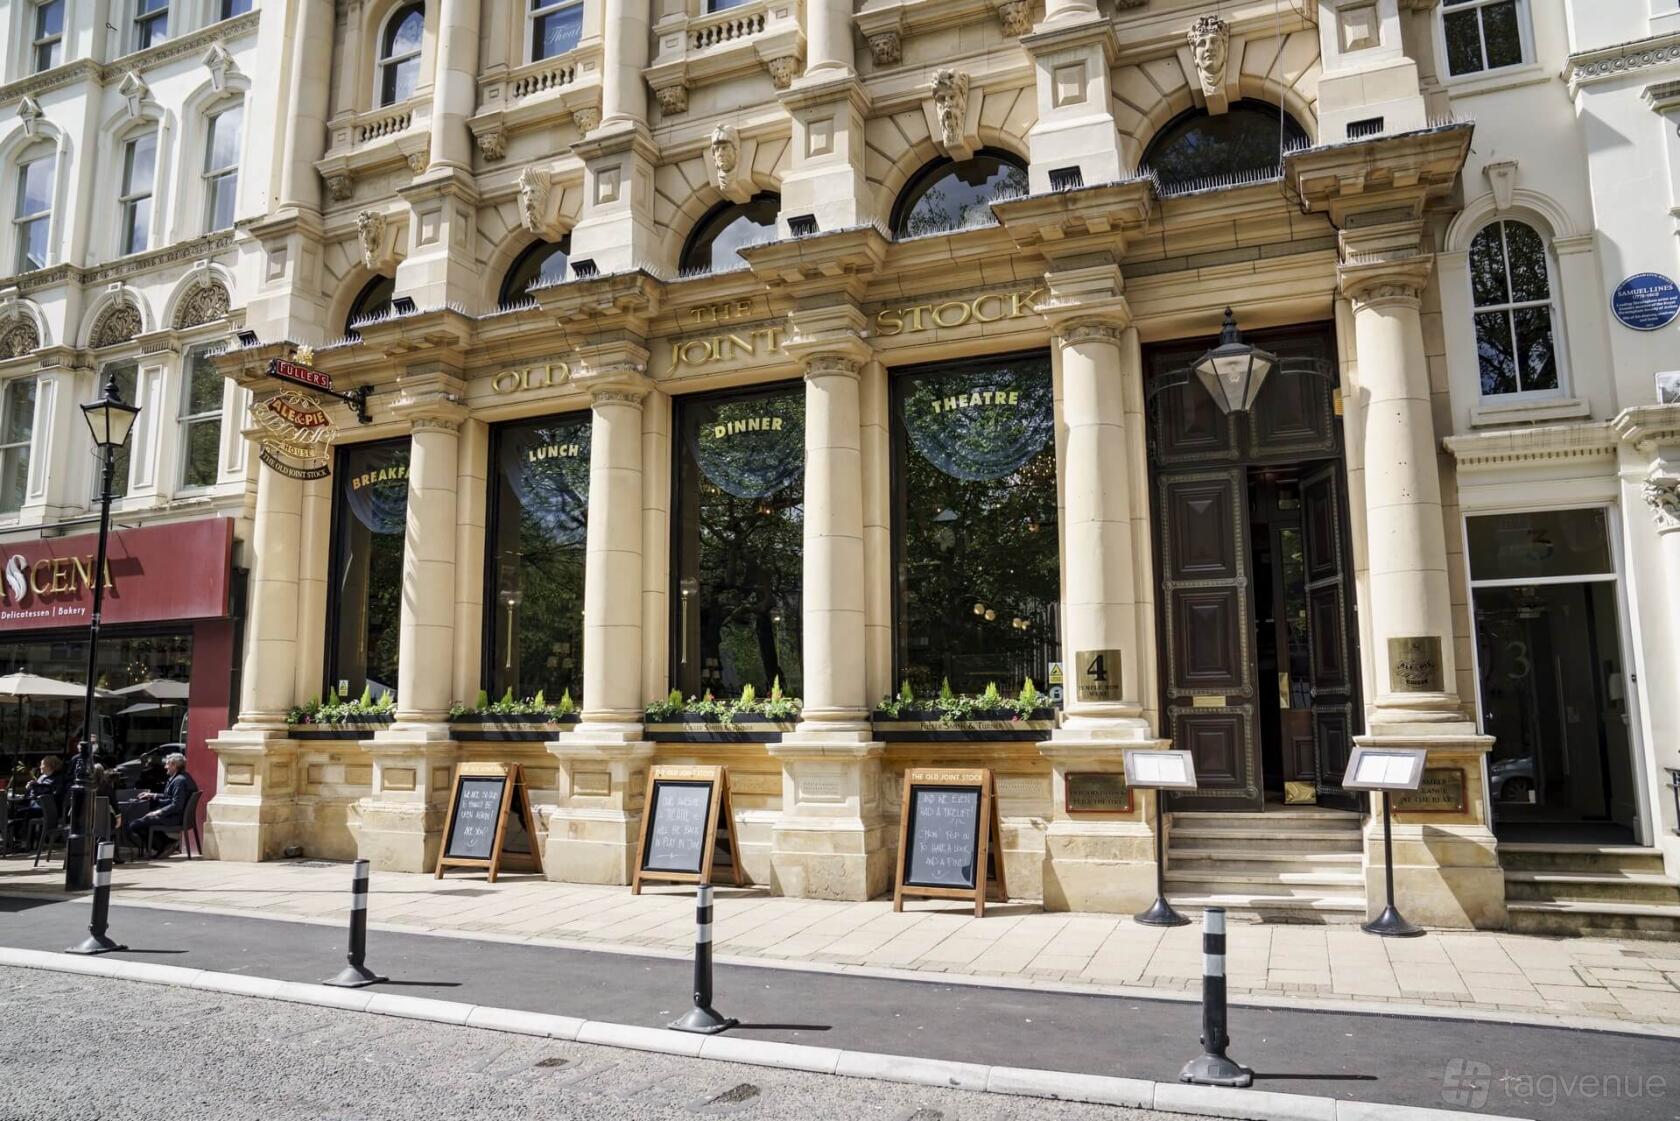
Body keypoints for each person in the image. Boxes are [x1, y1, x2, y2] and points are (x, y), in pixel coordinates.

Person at [123, 752, 196, 858]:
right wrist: (152, 795)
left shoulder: (179, 781)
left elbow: (177, 805)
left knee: (134, 825)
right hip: (177, 815)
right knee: (145, 821)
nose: (165, 767)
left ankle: (164, 844)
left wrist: (158, 812)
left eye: (167, 764)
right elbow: (170, 797)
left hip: (175, 817)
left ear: (174, 765)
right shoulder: (183, 777)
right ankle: (166, 843)